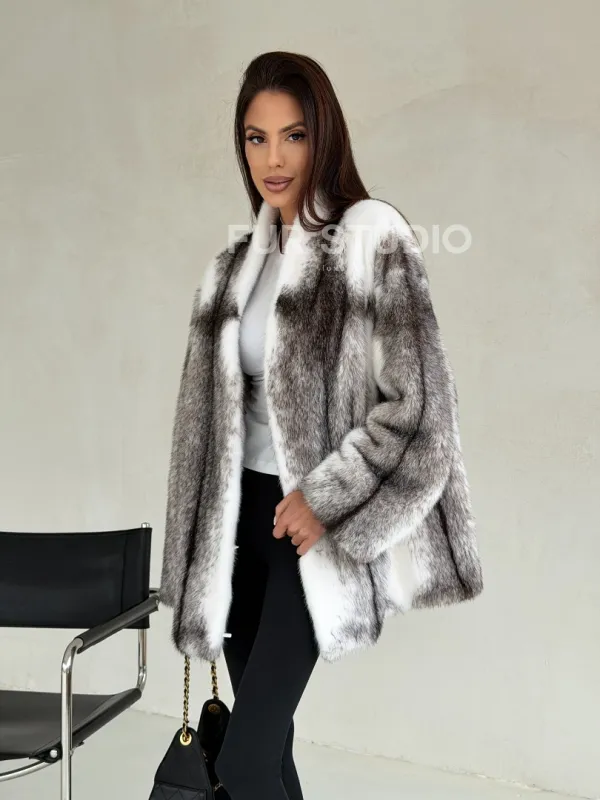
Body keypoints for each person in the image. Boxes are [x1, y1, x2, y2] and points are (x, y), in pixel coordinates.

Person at [159, 50, 483, 800]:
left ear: (324, 137)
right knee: (267, 756)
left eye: (293, 136)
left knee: (244, 762)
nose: (273, 159)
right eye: (256, 138)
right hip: (237, 528)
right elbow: (199, 433)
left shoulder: (370, 237)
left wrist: (326, 498)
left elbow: (422, 408)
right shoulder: (233, 267)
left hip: (311, 532)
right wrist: (194, 554)